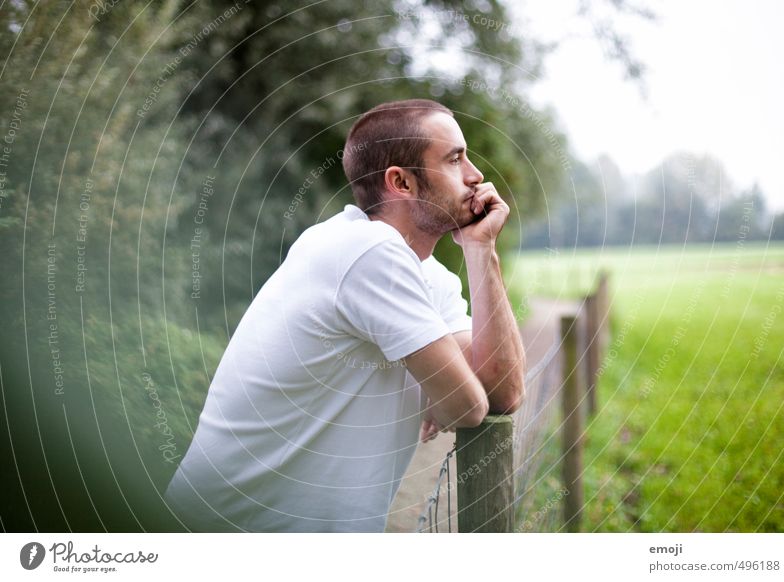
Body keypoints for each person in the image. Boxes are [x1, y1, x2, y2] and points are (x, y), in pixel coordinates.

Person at [164, 99, 526, 532]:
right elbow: (469, 407)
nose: (475, 175)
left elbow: (502, 393)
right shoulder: (365, 251)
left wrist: (482, 250)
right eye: (454, 159)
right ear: (402, 182)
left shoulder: (428, 275)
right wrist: (445, 382)